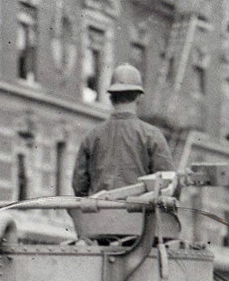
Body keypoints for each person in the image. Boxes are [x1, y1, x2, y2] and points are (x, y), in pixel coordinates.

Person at [71, 63, 175, 198]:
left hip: (100, 215)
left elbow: (79, 185)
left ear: (111, 97)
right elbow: (167, 183)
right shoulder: (152, 136)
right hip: (140, 216)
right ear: (139, 97)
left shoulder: (91, 137)